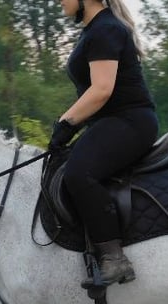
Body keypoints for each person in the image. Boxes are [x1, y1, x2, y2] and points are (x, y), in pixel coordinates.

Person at [50, 0, 158, 289]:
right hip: (110, 122)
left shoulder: (105, 30)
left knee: (78, 174)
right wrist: (67, 123)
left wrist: (67, 123)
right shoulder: (94, 31)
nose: (60, 0)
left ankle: (114, 259)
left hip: (130, 122)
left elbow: (101, 90)